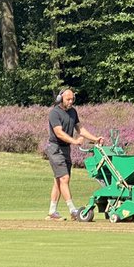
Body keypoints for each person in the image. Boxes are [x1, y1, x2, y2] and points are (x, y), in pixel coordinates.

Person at [45, 88, 103, 221]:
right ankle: (73, 211)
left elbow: (80, 129)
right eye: (68, 99)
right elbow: (59, 133)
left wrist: (95, 139)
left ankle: (52, 212)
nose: (71, 102)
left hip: (66, 149)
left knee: (59, 181)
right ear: (61, 99)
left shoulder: (73, 112)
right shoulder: (54, 113)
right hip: (55, 148)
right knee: (64, 178)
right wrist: (74, 141)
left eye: (72, 99)